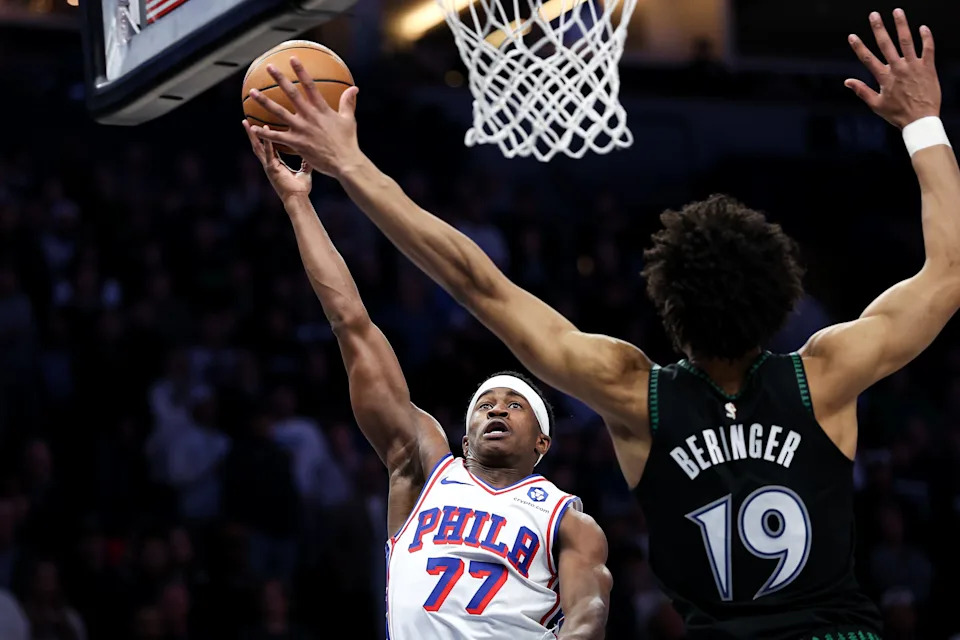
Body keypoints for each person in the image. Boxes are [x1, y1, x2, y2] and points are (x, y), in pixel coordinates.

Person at [246, 9, 956, 638]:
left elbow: (475, 281)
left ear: (669, 306)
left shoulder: (637, 396)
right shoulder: (825, 377)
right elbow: (949, 274)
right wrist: (922, 120)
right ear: (779, 297)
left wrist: (351, 165)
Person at [241, 123, 612, 639]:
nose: (497, 410)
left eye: (515, 405)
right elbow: (352, 324)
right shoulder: (424, 471)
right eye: (485, 404)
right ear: (464, 436)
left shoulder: (567, 520)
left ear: (542, 443)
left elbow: (588, 614)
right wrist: (297, 203)